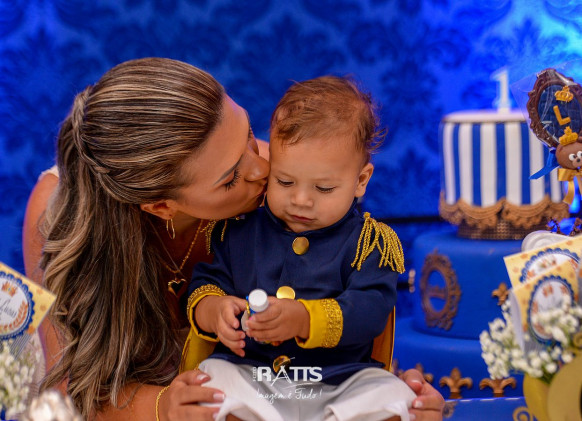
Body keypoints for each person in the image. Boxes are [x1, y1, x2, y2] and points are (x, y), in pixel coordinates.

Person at [21, 57, 445, 421]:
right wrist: (164, 405)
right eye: (229, 179)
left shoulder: (289, 177)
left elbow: (348, 292)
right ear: (161, 206)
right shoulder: (57, 217)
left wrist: (389, 388)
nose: (261, 170)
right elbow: (72, 393)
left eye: (248, 136)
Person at [182, 76, 416, 421]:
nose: (301, 200)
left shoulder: (369, 243)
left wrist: (305, 319)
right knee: (212, 381)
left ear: (360, 180)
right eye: (284, 181)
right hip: (253, 374)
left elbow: (370, 310)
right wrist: (214, 311)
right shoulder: (239, 231)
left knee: (396, 397)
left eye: (323, 189)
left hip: (338, 380)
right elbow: (205, 283)